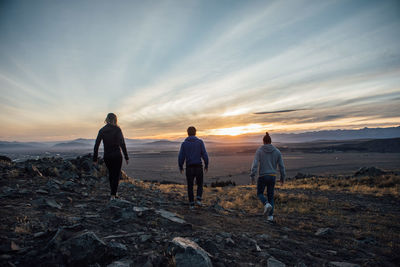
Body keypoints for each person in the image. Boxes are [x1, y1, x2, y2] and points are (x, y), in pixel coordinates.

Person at [250, 132, 285, 222]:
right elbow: (281, 166)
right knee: (271, 196)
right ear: (270, 141)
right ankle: (270, 217)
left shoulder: (260, 150)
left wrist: (252, 175)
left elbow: (255, 164)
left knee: (260, 193)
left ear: (263, 141)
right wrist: (282, 178)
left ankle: (266, 204)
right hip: (273, 176)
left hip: (262, 176)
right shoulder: (277, 151)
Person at [93, 113, 129, 200]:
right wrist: (126, 156)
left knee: (111, 174)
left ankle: (113, 193)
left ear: (107, 119)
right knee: (116, 175)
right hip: (117, 155)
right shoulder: (117, 129)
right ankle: (113, 194)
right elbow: (122, 143)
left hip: (107, 156)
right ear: (115, 120)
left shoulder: (102, 130)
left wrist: (95, 158)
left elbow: (96, 145)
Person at [178, 126, 209, 209]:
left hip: (189, 168)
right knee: (200, 184)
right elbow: (204, 154)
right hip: (199, 167)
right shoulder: (200, 142)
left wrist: (180, 166)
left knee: (190, 186)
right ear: (195, 132)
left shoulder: (184, 144)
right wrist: (206, 164)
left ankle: (191, 204)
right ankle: (198, 200)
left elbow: (181, 156)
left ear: (187, 133)